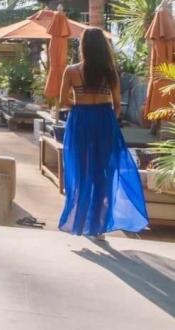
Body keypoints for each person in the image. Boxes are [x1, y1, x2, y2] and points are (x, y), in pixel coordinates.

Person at [57, 27, 148, 237]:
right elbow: (117, 106)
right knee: (104, 172)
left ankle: (79, 224)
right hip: (104, 121)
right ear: (103, 47)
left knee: (81, 171)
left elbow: (63, 101)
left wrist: (80, 106)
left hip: (80, 121)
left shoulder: (71, 71)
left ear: (83, 46)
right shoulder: (110, 72)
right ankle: (98, 227)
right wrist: (107, 117)